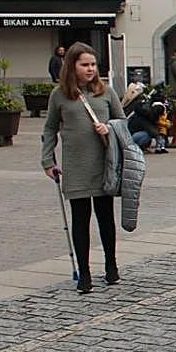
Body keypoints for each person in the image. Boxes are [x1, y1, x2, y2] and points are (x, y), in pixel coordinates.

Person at [41, 42, 126, 293]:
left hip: (103, 164)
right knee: (80, 220)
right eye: (84, 65)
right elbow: (50, 128)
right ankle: (84, 273)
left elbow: (122, 122)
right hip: (76, 166)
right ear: (72, 66)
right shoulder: (59, 95)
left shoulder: (106, 92)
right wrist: (48, 160)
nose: (90, 69)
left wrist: (108, 128)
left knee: (105, 217)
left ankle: (111, 266)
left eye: (93, 64)